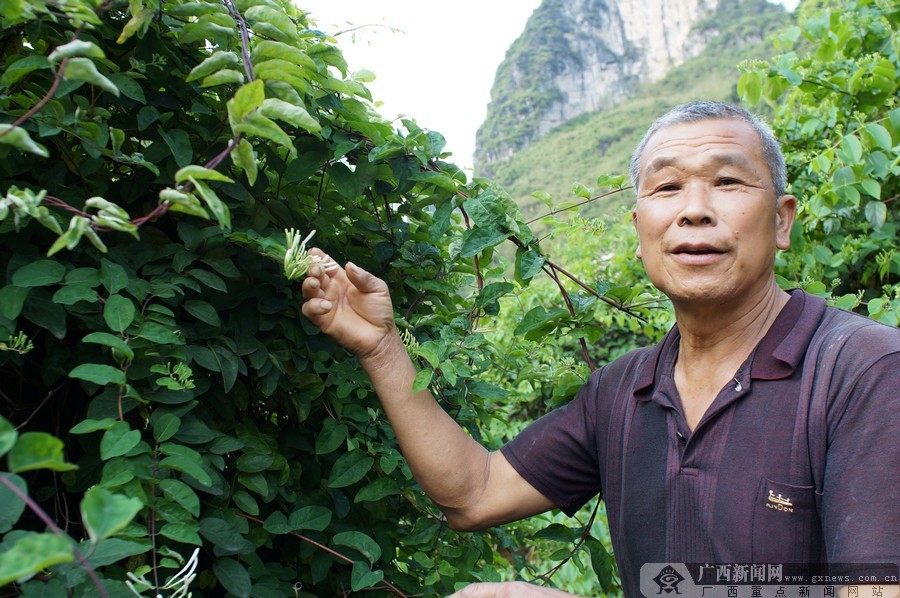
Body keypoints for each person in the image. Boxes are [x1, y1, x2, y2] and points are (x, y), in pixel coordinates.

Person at [301, 101, 900, 597]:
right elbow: (474, 493)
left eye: (727, 182)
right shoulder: (625, 390)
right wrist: (382, 349)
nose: (694, 210)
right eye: (667, 187)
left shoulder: (861, 370)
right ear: (640, 226)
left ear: (781, 220)